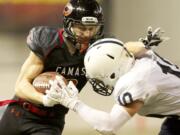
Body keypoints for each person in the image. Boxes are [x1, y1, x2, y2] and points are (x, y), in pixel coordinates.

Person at [0, 0, 104, 135]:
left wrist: (141, 46)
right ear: (68, 25)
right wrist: (44, 99)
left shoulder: (99, 49)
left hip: (49, 123)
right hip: (20, 113)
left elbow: (127, 49)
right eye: (82, 28)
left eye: (92, 28)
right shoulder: (48, 41)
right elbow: (21, 86)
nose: (87, 34)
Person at [46, 31, 180, 135]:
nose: (99, 83)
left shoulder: (136, 81)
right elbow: (126, 47)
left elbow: (109, 126)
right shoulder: (138, 56)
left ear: (111, 72)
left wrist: (73, 103)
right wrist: (143, 43)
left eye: (98, 78)